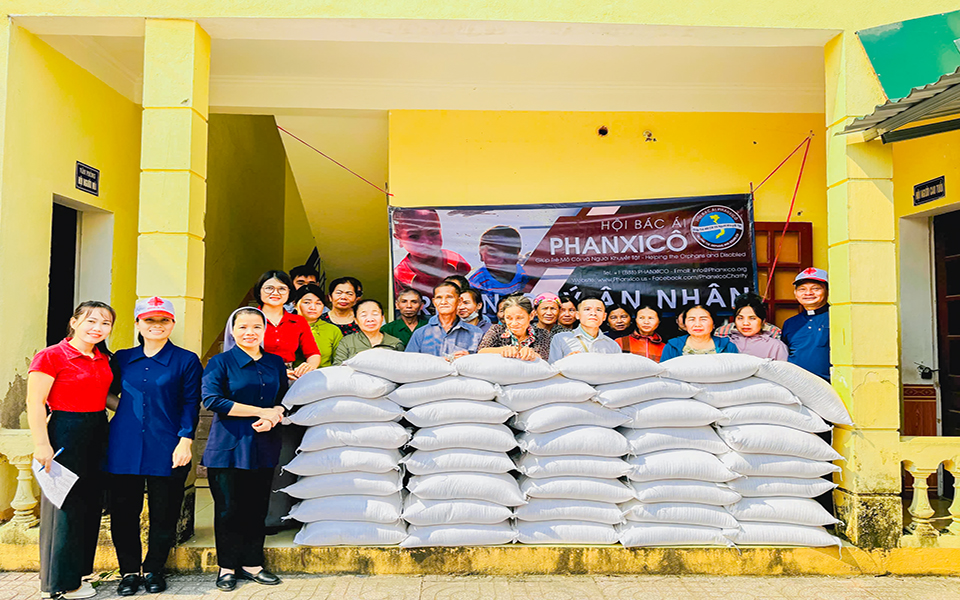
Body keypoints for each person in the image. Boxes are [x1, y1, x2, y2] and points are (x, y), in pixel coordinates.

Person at [106, 298, 202, 596]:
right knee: (124, 513)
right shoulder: (122, 358)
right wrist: (127, 409)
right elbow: (105, 393)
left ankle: (154, 569)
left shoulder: (186, 360)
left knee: (165, 512)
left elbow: (191, 403)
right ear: (138, 323)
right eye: (149, 320)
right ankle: (128, 571)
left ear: (172, 323)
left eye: (163, 320)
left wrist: (185, 440)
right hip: (123, 444)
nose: (156, 326)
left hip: (168, 445)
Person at [27, 301, 116, 600]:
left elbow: (104, 396)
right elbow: (35, 403)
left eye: (105, 323)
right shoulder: (51, 355)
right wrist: (42, 444)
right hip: (65, 430)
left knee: (90, 504)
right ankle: (59, 584)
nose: (97, 328)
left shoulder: (102, 358)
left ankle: (77, 574)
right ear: (74, 322)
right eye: (91, 321)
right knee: (64, 506)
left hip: (97, 430)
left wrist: (136, 410)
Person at [201, 308, 287, 592]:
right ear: (232, 330)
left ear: (264, 330)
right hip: (228, 446)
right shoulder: (221, 362)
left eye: (256, 327)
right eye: (243, 327)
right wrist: (261, 411)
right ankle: (227, 567)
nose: (250, 332)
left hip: (263, 443)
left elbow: (284, 399)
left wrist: (274, 414)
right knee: (228, 510)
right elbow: (212, 400)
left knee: (256, 508)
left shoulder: (274, 362)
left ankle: (252, 564)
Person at [255, 270, 320, 533]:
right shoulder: (249, 318)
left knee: (286, 450)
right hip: (255, 388)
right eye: (269, 288)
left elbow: (313, 353)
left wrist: (308, 366)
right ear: (259, 291)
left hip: (289, 390)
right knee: (257, 450)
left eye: (282, 289)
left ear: (289, 294)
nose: (276, 293)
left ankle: (280, 515)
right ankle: (254, 515)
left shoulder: (297, 321)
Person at [392, 208, 471, 298]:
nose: (427, 242)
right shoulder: (401, 274)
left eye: (433, 233)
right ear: (399, 239)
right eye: (414, 236)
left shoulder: (455, 260)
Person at [405, 281, 483, 358]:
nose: (443, 302)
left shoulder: (476, 333)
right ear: (434, 302)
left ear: (459, 301)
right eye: (439, 297)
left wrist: (469, 358)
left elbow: (481, 362)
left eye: (449, 297)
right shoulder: (420, 333)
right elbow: (410, 362)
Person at [781, 268, 831, 381]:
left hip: (830, 384)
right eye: (802, 289)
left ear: (827, 291)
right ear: (795, 293)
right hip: (796, 383)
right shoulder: (790, 323)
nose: (808, 293)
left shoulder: (837, 318)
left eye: (816, 288)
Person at [478, 295, 552, 361]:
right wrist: (502, 350)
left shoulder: (541, 334)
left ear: (531, 315)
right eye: (508, 318)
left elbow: (543, 358)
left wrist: (531, 353)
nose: (514, 323)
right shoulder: (497, 330)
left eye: (519, 318)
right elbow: (481, 352)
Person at [548, 295, 621, 362]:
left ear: (604, 316)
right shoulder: (561, 339)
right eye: (587, 309)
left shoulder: (612, 345)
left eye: (598, 310)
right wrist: (565, 362)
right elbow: (553, 367)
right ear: (577, 315)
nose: (593, 313)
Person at [720, 293, 789, 360]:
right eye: (740, 318)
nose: (745, 323)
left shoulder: (776, 346)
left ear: (763, 321)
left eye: (752, 318)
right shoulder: (724, 343)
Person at [334, 299, 405, 364]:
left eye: (375, 314)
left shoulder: (395, 343)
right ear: (356, 320)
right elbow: (338, 367)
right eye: (363, 315)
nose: (370, 319)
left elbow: (401, 369)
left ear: (382, 318)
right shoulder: (347, 342)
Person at [660, 304, 739, 361]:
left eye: (703, 319)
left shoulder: (728, 346)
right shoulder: (672, 346)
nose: (697, 324)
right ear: (685, 324)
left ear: (713, 323)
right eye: (691, 319)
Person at [468, 225, 531, 294]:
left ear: (518, 254)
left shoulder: (523, 274)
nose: (501, 260)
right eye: (494, 255)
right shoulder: (477, 282)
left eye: (509, 254)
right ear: (482, 254)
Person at [292, 284, 343, 368]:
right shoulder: (285, 326)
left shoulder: (333, 330)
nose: (313, 307)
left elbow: (339, 362)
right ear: (294, 304)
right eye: (307, 302)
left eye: (318, 303)